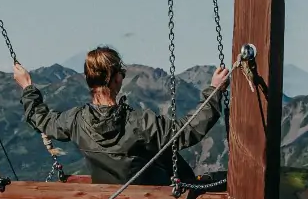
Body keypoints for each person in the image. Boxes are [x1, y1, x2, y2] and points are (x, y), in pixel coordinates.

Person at [12, 47, 230, 187]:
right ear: (116, 79)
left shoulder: (76, 120)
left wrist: (27, 87)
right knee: (224, 180)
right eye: (122, 74)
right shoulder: (138, 123)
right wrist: (214, 90)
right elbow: (188, 131)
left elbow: (41, 119)